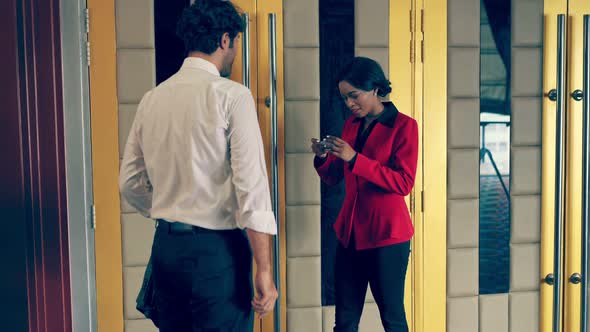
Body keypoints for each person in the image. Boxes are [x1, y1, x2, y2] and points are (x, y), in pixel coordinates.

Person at [119, 1, 278, 331]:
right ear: (224, 40)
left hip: (167, 250)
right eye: (236, 41)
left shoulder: (153, 98)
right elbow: (252, 189)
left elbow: (130, 182)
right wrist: (264, 269)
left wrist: (173, 208)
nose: (235, 50)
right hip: (216, 253)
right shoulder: (232, 96)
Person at [311, 57, 418, 332]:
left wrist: (355, 158)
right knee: (344, 321)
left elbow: (403, 182)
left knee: (392, 319)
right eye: (345, 98)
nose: (349, 104)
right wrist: (323, 158)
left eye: (354, 96)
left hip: (387, 236)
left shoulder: (405, 126)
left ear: (374, 88)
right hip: (350, 234)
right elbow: (335, 176)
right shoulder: (351, 126)